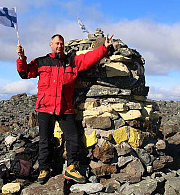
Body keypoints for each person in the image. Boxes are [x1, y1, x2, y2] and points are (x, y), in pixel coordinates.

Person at [16, 33, 113, 184]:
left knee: (73, 137)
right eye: (56, 43)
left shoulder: (72, 61)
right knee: (45, 140)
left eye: (61, 43)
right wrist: (22, 59)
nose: (59, 46)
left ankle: (72, 168)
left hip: (64, 108)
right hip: (45, 107)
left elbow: (89, 59)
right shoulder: (42, 62)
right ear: (51, 45)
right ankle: (44, 169)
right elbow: (25, 73)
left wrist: (104, 48)